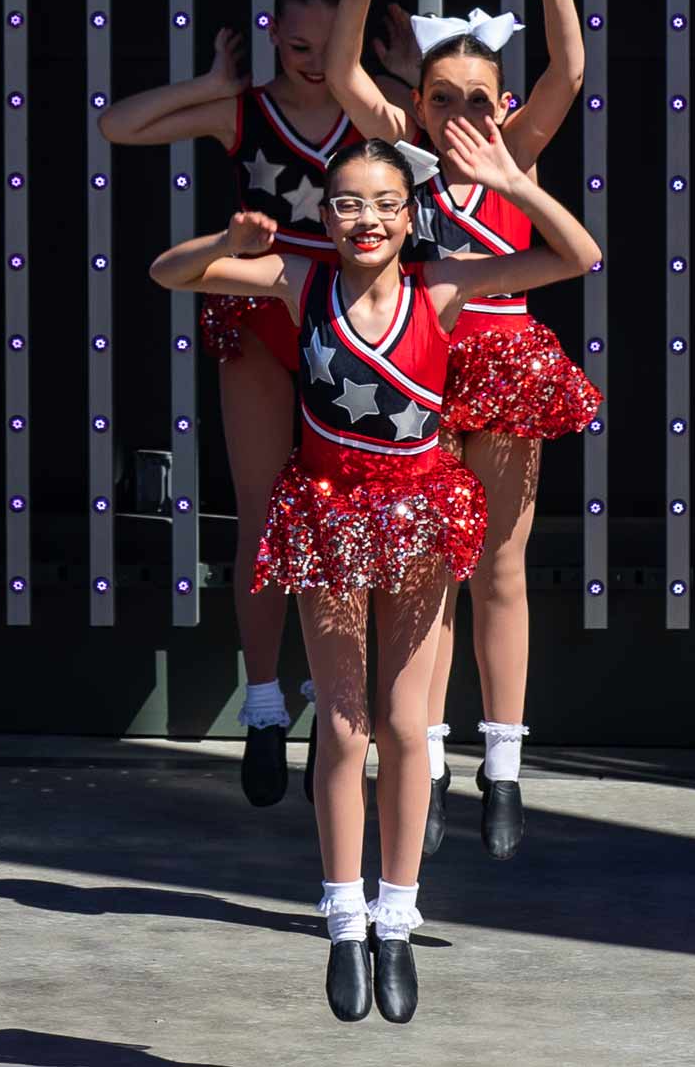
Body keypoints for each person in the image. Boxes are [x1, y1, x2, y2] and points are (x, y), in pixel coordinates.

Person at [148, 124, 601, 1022]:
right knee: (344, 729)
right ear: (325, 209)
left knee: (403, 724)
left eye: (386, 204)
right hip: (328, 520)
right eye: (348, 201)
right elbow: (170, 272)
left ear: (411, 214)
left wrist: (512, 178)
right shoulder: (297, 279)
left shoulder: (442, 287)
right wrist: (227, 246)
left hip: (419, 520)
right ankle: (343, 918)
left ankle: (397, 915)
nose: (366, 219)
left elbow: (577, 255)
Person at [98, 0, 414, 807]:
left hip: (358, 321)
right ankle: (267, 702)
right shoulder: (243, 112)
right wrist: (208, 82)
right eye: (298, 45)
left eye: (327, 45)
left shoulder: (371, 114)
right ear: (275, 36)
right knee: (262, 506)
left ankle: (336, 705)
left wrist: (394, 67)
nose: (313, 62)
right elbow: (118, 126)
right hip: (264, 311)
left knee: (350, 506)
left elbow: (428, 145)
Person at [323, 0, 599, 861]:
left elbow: (570, 73)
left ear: (502, 98)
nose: (462, 113)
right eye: (444, 98)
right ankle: (428, 756)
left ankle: (507, 761)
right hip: (425, 373)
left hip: (511, 363)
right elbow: (346, 79)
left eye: (478, 96)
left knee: (504, 571)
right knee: (427, 577)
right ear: (423, 99)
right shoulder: (402, 154)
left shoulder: (516, 146)